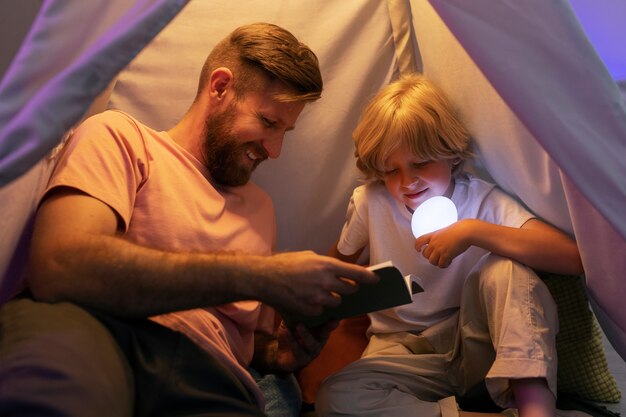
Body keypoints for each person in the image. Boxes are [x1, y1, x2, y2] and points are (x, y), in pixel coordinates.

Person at [0, 22, 378, 417]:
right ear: (219, 87)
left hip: (206, 374)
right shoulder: (121, 137)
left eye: (286, 131)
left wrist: (281, 354)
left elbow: (248, 344)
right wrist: (260, 275)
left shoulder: (261, 209)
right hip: (100, 330)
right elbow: (60, 264)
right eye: (268, 122)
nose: (275, 149)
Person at [315, 73, 584, 417]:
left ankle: (536, 408)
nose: (406, 181)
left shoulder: (481, 201)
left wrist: (473, 232)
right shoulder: (370, 202)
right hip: (402, 354)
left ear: (452, 155)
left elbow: (572, 257)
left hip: (476, 346)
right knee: (336, 397)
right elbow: (337, 266)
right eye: (390, 169)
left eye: (420, 163)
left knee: (505, 269)